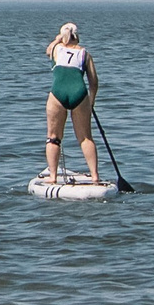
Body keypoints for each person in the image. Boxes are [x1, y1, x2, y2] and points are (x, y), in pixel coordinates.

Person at [45, 22, 100, 184]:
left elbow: (48, 50)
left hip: (57, 94)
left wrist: (57, 40)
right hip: (79, 94)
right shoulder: (85, 54)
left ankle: (53, 176)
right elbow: (94, 82)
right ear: (77, 36)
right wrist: (91, 101)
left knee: (53, 137)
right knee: (85, 138)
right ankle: (95, 176)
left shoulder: (56, 49)